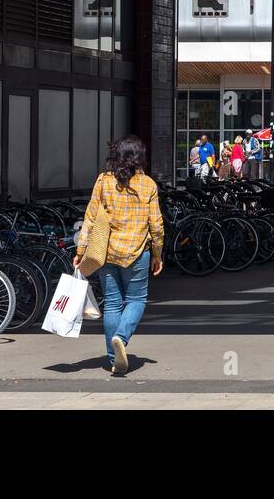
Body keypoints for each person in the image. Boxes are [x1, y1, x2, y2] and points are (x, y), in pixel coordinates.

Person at [73, 135, 164, 376]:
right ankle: (121, 338)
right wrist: (157, 253)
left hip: (106, 252)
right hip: (137, 252)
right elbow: (156, 224)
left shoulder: (103, 181)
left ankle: (114, 360)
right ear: (139, 158)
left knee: (112, 303)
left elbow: (90, 219)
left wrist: (81, 250)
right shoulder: (148, 185)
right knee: (136, 300)